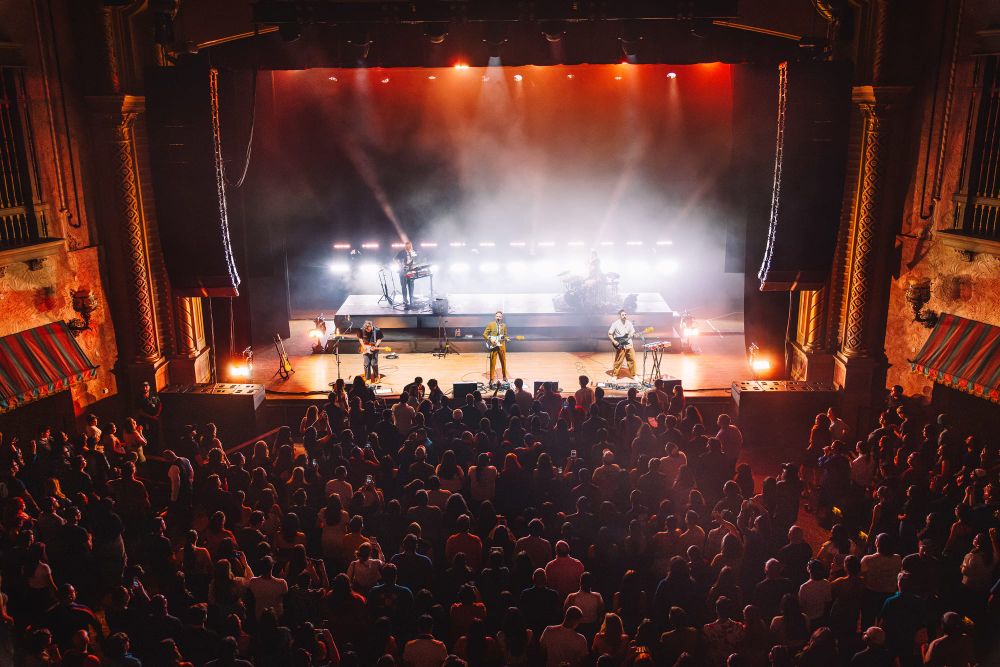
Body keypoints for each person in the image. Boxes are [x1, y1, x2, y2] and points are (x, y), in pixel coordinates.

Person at [608, 310, 637, 380]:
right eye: (623, 315)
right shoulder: (615, 324)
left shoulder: (629, 323)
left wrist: (633, 334)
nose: (624, 316)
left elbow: (632, 332)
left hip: (629, 344)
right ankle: (615, 375)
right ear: (620, 316)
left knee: (632, 360)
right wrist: (614, 341)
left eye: (625, 315)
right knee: (618, 361)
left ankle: (634, 375)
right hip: (621, 345)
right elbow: (609, 334)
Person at [482, 311, 510, 386]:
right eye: (497, 316)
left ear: (502, 318)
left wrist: (507, 338)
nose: (498, 318)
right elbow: (484, 334)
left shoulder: (504, 325)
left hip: (501, 346)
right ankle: (491, 379)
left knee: (503, 362)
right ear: (495, 317)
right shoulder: (491, 324)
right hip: (494, 346)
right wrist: (490, 339)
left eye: (500, 317)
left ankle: (504, 377)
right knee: (492, 363)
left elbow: (505, 335)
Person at [395, 240, 418, 309]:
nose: (409, 247)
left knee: (411, 285)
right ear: (405, 246)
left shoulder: (412, 252)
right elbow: (395, 259)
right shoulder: (402, 252)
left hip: (410, 271)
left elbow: (415, 260)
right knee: (404, 285)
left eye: (410, 246)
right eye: (408, 246)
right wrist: (400, 264)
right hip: (403, 271)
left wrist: (415, 265)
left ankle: (411, 297)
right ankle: (405, 299)